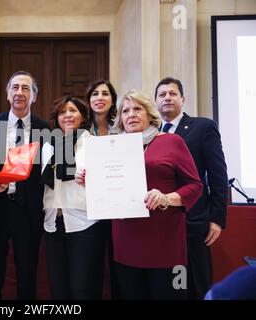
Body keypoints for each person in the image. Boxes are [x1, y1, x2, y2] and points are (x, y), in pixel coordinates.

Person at [111, 90, 203, 299]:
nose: (131, 114)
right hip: (126, 242)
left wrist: (166, 198)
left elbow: (195, 185)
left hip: (166, 242)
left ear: (150, 114)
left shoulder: (172, 141)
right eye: (125, 111)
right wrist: (89, 180)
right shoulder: (112, 148)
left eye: (137, 109)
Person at [155, 77, 228, 300]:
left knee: (194, 283)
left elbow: (218, 174)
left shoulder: (203, 127)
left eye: (172, 93)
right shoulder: (150, 133)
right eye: (162, 95)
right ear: (155, 102)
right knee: (168, 286)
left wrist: (217, 217)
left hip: (193, 220)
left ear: (183, 99)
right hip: (159, 223)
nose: (167, 97)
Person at [0, 70, 49, 299]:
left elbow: (47, 171)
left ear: (34, 96)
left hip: (28, 210)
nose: (20, 93)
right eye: (15, 87)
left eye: (26, 88)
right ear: (8, 93)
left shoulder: (45, 128)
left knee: (27, 270)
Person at [41, 96, 106, 299]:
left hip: (85, 223)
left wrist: (92, 179)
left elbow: (108, 183)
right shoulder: (48, 146)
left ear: (83, 116)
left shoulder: (94, 145)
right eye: (62, 112)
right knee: (58, 289)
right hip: (53, 223)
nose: (67, 115)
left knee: (82, 288)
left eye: (73, 111)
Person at [85, 79, 119, 299]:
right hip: (89, 209)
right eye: (95, 94)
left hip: (119, 208)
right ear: (89, 100)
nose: (100, 98)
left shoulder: (124, 129)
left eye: (105, 94)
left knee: (119, 265)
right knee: (92, 266)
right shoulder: (80, 131)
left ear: (112, 100)